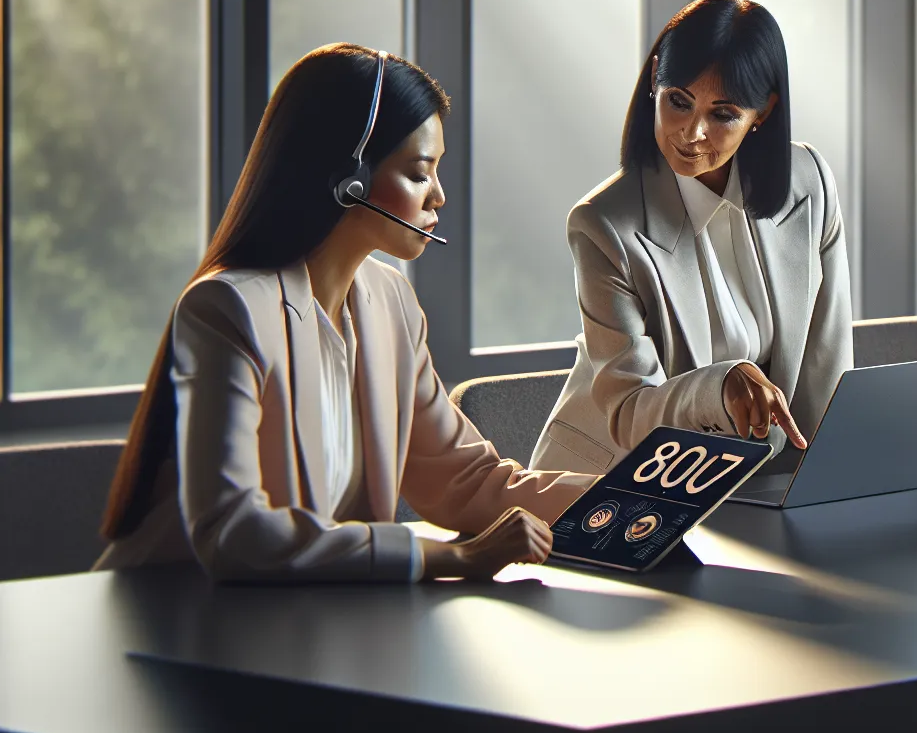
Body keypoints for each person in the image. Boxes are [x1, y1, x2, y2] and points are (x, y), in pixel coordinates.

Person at [97, 44, 596, 582]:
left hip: (306, 623)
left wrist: (631, 501)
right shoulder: (227, 309)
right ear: (348, 178)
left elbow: (466, 481)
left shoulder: (390, 304)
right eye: (418, 172)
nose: (439, 197)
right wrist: (452, 557)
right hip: (179, 619)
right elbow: (233, 531)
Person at [529, 0, 850, 476]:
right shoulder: (603, 225)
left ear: (762, 112)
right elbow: (632, 410)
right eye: (678, 101)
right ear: (655, 81)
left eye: (723, 114)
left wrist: (828, 478)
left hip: (749, 482)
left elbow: (826, 362)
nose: (691, 132)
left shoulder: (810, 183)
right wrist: (721, 387)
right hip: (614, 482)